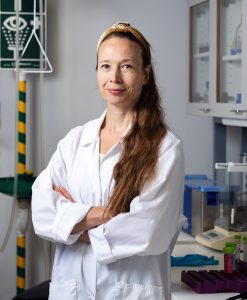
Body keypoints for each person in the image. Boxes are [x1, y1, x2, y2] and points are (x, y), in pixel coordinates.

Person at [31, 22, 186, 300]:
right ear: (97, 72)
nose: (114, 77)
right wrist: (110, 213)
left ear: (145, 74)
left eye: (126, 66)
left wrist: (71, 222)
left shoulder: (165, 148)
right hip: (73, 290)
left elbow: (149, 230)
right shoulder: (74, 142)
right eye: (105, 66)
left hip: (130, 291)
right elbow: (42, 211)